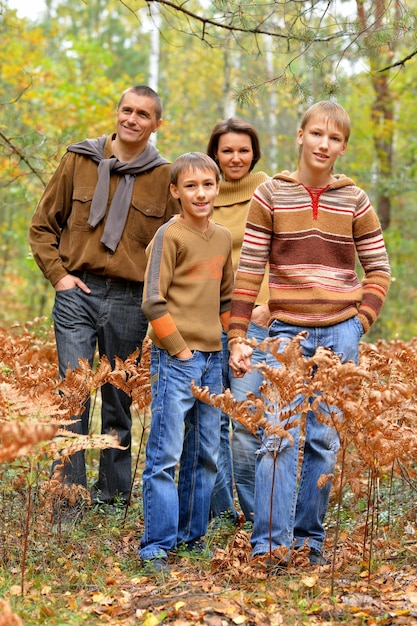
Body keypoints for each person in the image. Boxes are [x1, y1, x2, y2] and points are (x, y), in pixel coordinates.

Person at [227, 101, 391, 565]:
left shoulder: (355, 200)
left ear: (343, 146)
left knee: (323, 439)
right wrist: (239, 334)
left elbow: (378, 268)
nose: (324, 144)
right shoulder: (271, 195)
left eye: (334, 138)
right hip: (284, 334)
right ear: (300, 136)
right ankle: (270, 545)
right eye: (317, 134)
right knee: (278, 435)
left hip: (340, 333)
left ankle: (307, 542)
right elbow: (249, 269)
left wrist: (359, 323)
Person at [29, 85, 179, 513]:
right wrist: (59, 277)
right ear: (117, 113)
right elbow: (43, 226)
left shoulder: (164, 177)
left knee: (118, 399)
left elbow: (172, 246)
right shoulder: (79, 159)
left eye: (143, 114)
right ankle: (69, 502)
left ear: (156, 125)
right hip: (78, 291)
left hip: (130, 299)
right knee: (73, 395)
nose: (132, 119)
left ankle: (112, 500)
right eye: (126, 110)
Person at [139, 152, 234, 573]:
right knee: (165, 454)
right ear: (176, 191)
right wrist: (178, 349)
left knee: (206, 452)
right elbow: (152, 300)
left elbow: (227, 298)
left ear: (218, 188)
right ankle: (156, 545)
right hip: (177, 358)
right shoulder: (169, 236)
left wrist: (234, 345)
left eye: (208, 185)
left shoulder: (224, 237)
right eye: (191, 186)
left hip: (214, 357)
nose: (201, 193)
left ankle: (191, 537)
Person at [206, 117, 270, 523]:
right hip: (207, 322)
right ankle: (222, 515)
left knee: (246, 422)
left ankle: (256, 514)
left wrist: (271, 304)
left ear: (254, 153)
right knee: (210, 422)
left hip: (255, 321)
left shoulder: (269, 190)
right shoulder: (200, 192)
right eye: (227, 150)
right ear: (215, 153)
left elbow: (289, 251)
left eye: (243, 150)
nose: (235, 157)